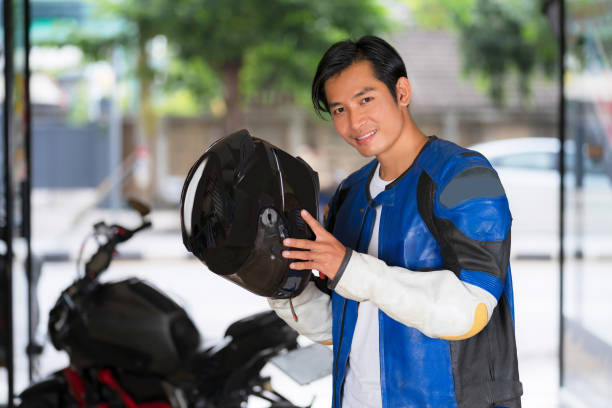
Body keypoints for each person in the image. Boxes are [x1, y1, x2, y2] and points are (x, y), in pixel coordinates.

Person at [268, 35, 523, 408]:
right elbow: (341, 323)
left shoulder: (466, 177)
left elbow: (470, 308)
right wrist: (274, 280)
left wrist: (350, 267)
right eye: (339, 110)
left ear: (401, 91)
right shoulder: (349, 194)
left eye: (365, 99)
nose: (355, 122)